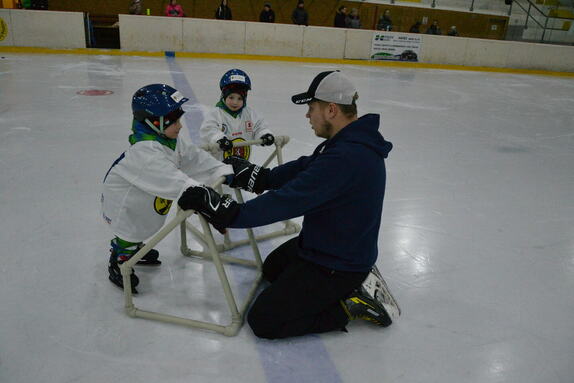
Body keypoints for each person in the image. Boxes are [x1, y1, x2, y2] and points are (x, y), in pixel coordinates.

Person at [178, 71, 400, 339]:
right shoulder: (348, 142)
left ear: (331, 110)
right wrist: (262, 177)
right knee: (272, 268)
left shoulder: (348, 158)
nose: (308, 115)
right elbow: (306, 166)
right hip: (326, 243)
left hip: (338, 263)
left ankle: (351, 303)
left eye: (311, 108)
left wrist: (230, 212)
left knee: (264, 321)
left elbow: (289, 200)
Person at [101, 84, 233, 293]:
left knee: (144, 224)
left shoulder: (169, 141)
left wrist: (222, 169)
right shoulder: (145, 153)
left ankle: (135, 248)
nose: (180, 126)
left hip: (144, 200)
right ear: (153, 122)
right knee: (130, 231)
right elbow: (176, 181)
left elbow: (194, 158)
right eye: (174, 121)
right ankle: (120, 258)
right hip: (124, 205)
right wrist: (207, 197)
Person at [199, 69, 275, 161]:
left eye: (239, 98)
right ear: (224, 96)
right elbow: (208, 130)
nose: (235, 102)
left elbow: (259, 127)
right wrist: (219, 138)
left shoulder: (249, 114)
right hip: (218, 167)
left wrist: (264, 134)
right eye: (231, 97)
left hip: (242, 165)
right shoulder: (216, 114)